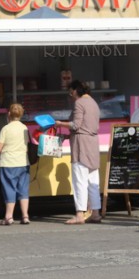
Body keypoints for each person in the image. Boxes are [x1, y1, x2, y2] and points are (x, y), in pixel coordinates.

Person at [55, 80, 102, 225]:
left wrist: (59, 123)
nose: (70, 95)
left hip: (81, 146)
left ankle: (79, 214)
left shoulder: (79, 103)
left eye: (71, 91)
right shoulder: (94, 103)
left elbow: (76, 125)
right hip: (93, 144)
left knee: (79, 181)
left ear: (76, 90)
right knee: (93, 181)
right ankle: (95, 213)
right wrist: (69, 136)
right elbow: (86, 127)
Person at [0, 103, 30, 225]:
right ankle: (25, 216)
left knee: (9, 188)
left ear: (9, 114)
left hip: (8, 162)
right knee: (23, 189)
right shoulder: (25, 128)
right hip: (23, 162)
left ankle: (9, 217)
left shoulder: (5, 129)